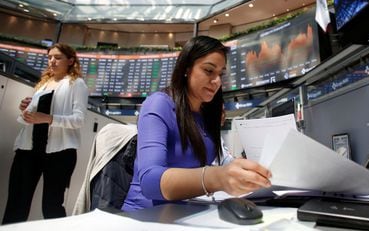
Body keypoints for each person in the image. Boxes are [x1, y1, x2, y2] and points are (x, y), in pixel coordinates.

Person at [122, 36, 272, 210]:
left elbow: (221, 165)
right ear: (186, 69)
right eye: (209, 71)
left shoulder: (207, 114)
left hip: (187, 212)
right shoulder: (159, 104)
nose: (217, 81)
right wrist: (217, 177)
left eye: (220, 74)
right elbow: (150, 182)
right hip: (144, 216)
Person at [2, 43, 89, 224]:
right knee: (16, 204)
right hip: (28, 149)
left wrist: (48, 118)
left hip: (60, 153)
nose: (52, 61)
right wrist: (25, 109)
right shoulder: (42, 84)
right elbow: (34, 117)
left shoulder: (77, 84)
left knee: (51, 207)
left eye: (58, 58)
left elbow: (79, 120)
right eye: (50, 57)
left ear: (71, 60)